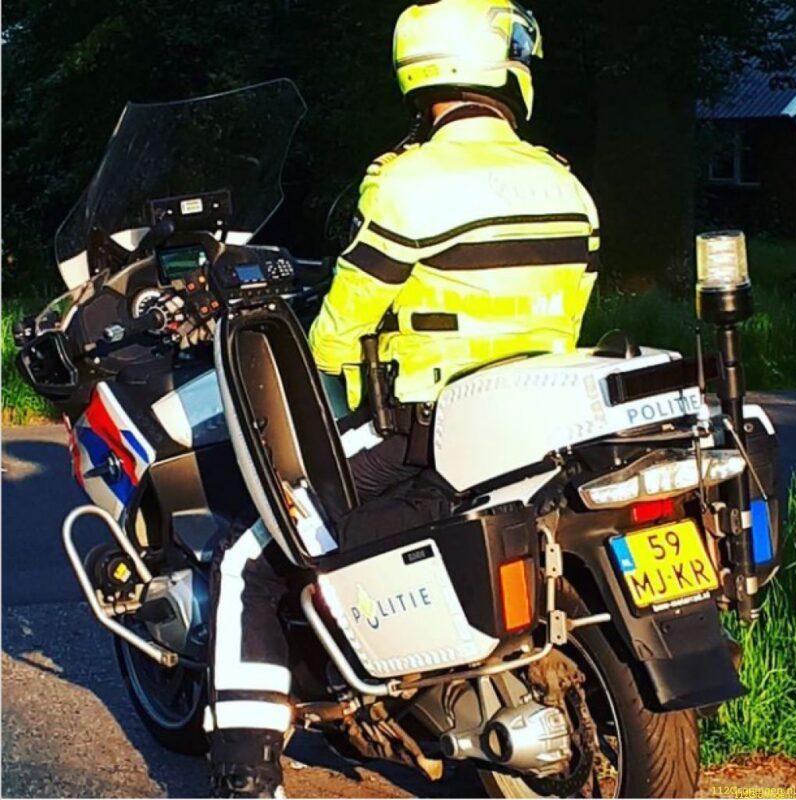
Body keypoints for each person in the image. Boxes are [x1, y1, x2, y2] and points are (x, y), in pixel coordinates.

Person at [206, 1, 600, 796]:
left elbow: (335, 335)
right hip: (537, 422)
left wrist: (340, 371)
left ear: (421, 76)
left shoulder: (408, 184)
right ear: (503, 70)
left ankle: (247, 772)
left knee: (250, 557)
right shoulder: (566, 183)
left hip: (428, 429)